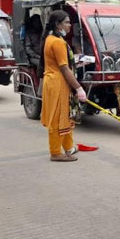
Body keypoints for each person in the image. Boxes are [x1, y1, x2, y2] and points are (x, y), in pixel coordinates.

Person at [40, 10, 88, 162]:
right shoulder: (58, 42)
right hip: (58, 83)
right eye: (66, 22)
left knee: (66, 117)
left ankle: (68, 147)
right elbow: (64, 67)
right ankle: (55, 152)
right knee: (58, 118)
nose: (69, 26)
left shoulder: (50, 38)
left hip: (53, 81)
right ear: (58, 24)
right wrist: (78, 88)